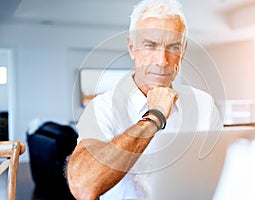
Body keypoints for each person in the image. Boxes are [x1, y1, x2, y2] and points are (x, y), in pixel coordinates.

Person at [66, 0, 223, 199]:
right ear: (132, 47)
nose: (162, 61)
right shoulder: (102, 108)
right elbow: (83, 186)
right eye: (151, 45)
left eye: (173, 47)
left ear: (183, 51)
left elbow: (223, 176)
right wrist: (154, 118)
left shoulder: (204, 105)